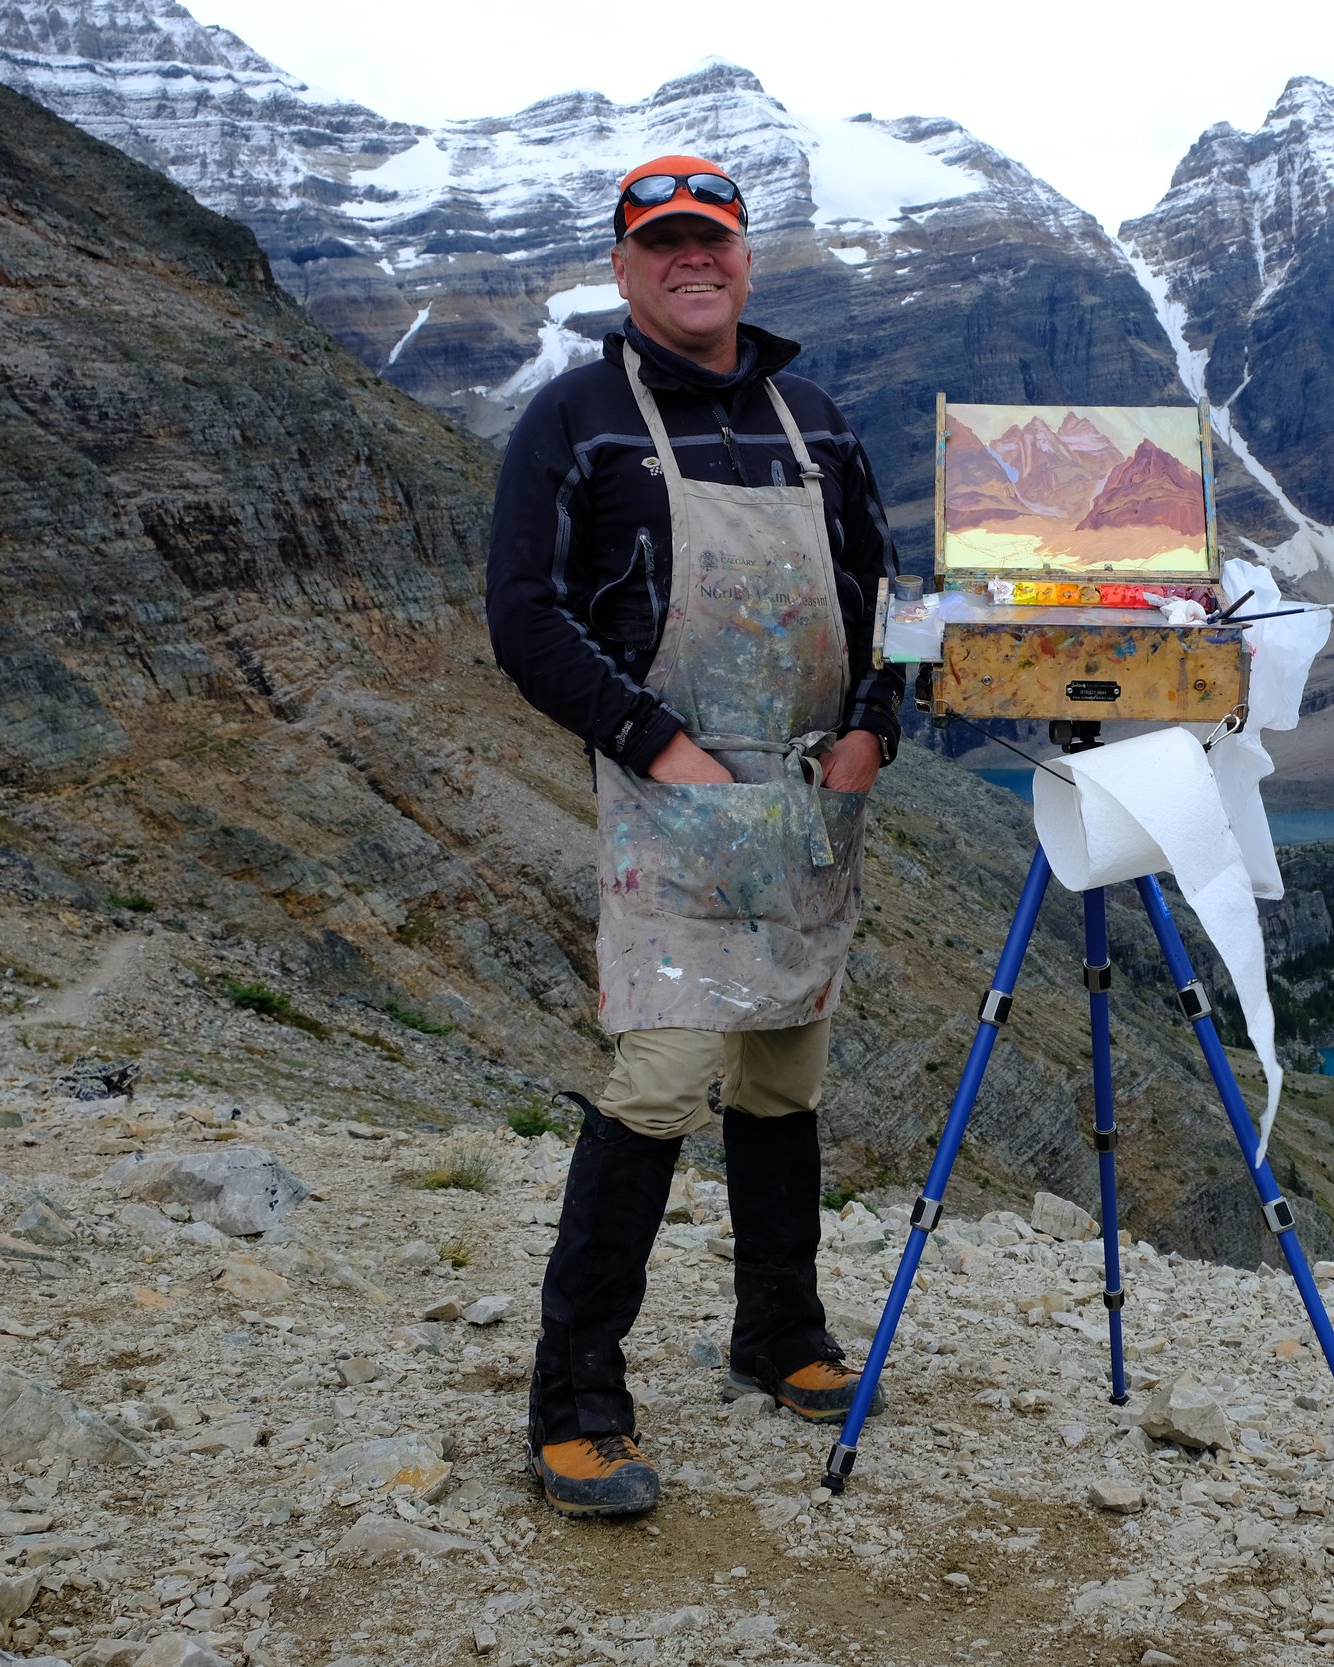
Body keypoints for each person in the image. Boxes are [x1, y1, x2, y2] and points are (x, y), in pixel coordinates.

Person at [485, 154, 903, 1519]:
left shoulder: (818, 422)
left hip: (805, 801)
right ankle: (576, 1396)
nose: (691, 261)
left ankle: (778, 1335)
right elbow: (524, 617)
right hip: (668, 804)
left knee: (783, 1071)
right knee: (662, 1080)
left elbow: (883, 599)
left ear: (744, 257)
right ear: (623, 267)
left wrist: (872, 730)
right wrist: (655, 740)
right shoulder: (577, 419)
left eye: (710, 241)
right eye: (662, 244)